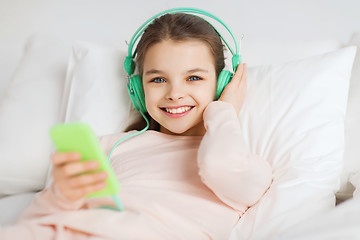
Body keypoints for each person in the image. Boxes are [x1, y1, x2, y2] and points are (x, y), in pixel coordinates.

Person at [0, 10, 272, 240]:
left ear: (222, 83)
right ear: (137, 90)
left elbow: (220, 167)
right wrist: (62, 195)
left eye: (193, 78)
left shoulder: (241, 162)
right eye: (157, 80)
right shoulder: (110, 146)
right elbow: (36, 220)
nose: (174, 93)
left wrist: (224, 111)